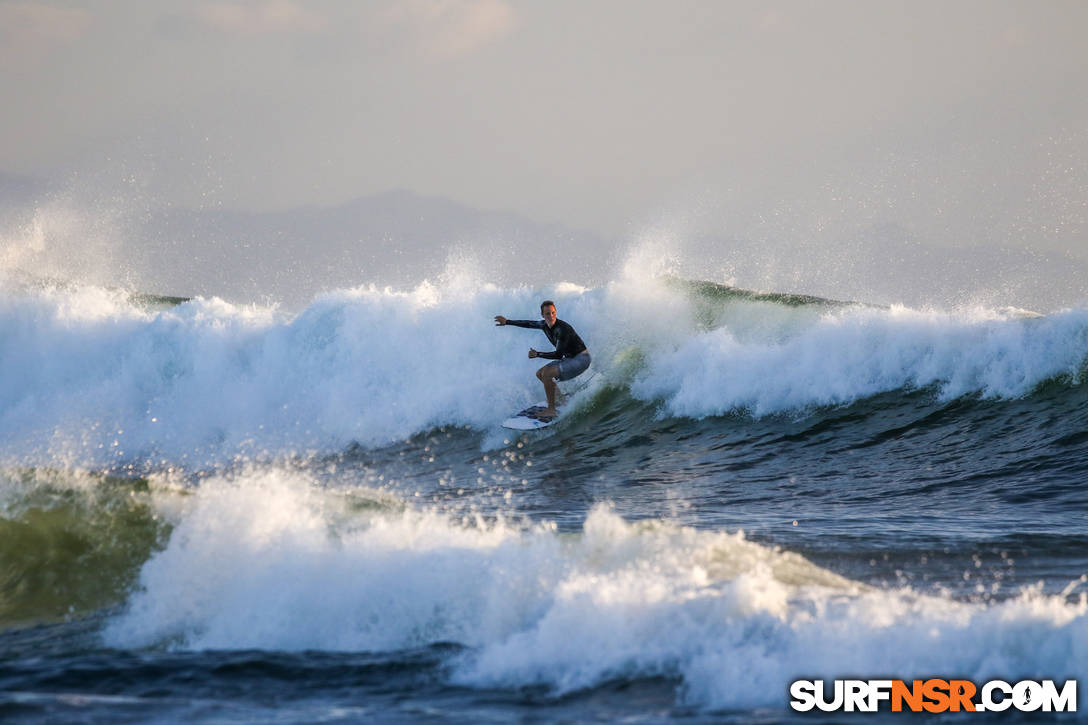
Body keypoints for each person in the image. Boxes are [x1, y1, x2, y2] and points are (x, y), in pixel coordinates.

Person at [495, 300, 590, 419]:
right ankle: (560, 399)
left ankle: (551, 410)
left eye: (553, 313)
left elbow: (558, 355)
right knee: (540, 373)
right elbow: (528, 324)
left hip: (581, 359)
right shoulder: (543, 325)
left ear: (556, 312)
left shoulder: (562, 329)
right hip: (570, 359)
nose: (551, 316)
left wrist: (537, 354)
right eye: (547, 314)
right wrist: (507, 322)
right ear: (542, 315)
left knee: (547, 374)